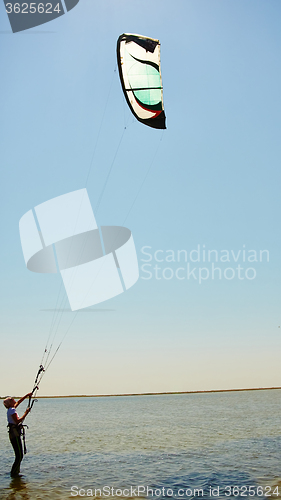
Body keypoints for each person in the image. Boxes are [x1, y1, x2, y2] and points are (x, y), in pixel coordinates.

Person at [3, 393, 32, 477]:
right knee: (19, 455)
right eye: (12, 399)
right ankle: (14, 473)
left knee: (19, 455)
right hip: (14, 435)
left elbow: (19, 402)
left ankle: (16, 473)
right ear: (10, 403)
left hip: (14, 434)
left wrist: (27, 395)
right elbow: (17, 421)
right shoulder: (12, 410)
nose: (14, 400)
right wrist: (26, 412)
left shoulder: (11, 408)